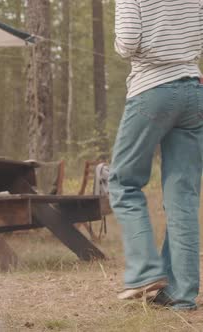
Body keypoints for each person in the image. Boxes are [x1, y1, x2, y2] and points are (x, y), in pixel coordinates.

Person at [109, 0, 203, 310]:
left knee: (123, 182)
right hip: (193, 88)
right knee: (183, 195)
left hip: (152, 88)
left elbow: (127, 41)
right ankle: (182, 293)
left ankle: (144, 272)